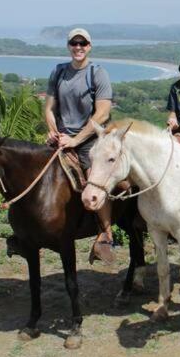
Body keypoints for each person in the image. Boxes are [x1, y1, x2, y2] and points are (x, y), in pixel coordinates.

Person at [44, 27, 116, 262]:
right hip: (63, 137)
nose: (78, 47)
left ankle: (106, 232)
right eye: (74, 43)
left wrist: (76, 139)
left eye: (82, 44)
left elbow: (103, 112)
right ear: (69, 46)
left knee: (94, 180)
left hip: (90, 139)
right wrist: (54, 132)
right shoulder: (59, 72)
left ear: (89, 46)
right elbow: (49, 109)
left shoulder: (97, 73)